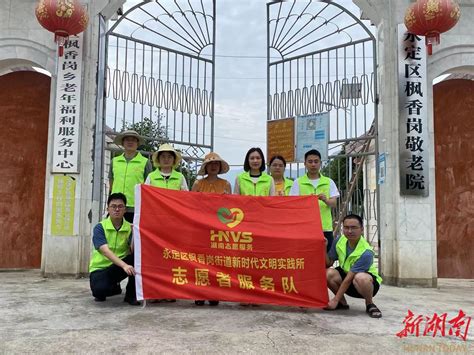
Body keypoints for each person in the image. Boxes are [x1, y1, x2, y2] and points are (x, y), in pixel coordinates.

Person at [145, 143, 187, 303]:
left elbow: (186, 199)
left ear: (174, 160)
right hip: (155, 224)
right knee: (156, 258)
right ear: (158, 159)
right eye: (163, 156)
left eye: (170, 156)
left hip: (174, 224)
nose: (166, 159)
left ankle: (170, 291)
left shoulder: (180, 177)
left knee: (172, 257)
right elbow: (146, 198)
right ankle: (155, 291)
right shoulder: (151, 177)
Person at [192, 152, 232, 306]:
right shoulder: (197, 184)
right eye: (210, 164)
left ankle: (214, 292)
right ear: (205, 167)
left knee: (216, 260)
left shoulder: (226, 184)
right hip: (201, 228)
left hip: (219, 228)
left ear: (220, 167)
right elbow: (190, 205)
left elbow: (231, 208)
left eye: (216, 164)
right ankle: (199, 292)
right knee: (200, 260)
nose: (214, 166)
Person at [325, 214, 382, 318]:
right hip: (348, 278)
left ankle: (369, 304)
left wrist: (334, 299)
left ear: (362, 229)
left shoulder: (366, 252)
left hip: (366, 285)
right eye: (346, 227)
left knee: (361, 277)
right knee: (328, 273)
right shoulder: (339, 241)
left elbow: (350, 278)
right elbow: (328, 263)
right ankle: (342, 303)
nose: (350, 231)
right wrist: (322, 248)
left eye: (354, 228)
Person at [89, 193, 140, 305]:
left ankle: (131, 295)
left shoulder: (129, 227)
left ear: (125, 209)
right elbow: (105, 251)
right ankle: (113, 287)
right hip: (100, 268)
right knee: (100, 291)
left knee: (137, 259)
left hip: (119, 268)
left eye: (120, 206)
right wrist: (124, 265)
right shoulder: (100, 227)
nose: (117, 209)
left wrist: (135, 235)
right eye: (113, 206)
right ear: (108, 209)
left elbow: (133, 251)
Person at [289, 149, 339, 251]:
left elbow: (334, 204)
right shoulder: (298, 182)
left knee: (325, 259)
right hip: (305, 227)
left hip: (324, 227)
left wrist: (326, 200)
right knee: (306, 258)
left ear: (320, 163)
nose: (313, 164)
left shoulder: (329, 182)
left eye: (316, 161)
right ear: (305, 164)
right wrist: (306, 201)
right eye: (310, 161)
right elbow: (293, 205)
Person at [109, 130, 152, 223]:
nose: (130, 142)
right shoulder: (114, 161)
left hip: (135, 207)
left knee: (132, 236)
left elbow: (148, 185)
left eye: (133, 140)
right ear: (122, 143)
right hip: (116, 206)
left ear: (137, 143)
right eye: (127, 140)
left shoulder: (145, 162)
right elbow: (111, 181)